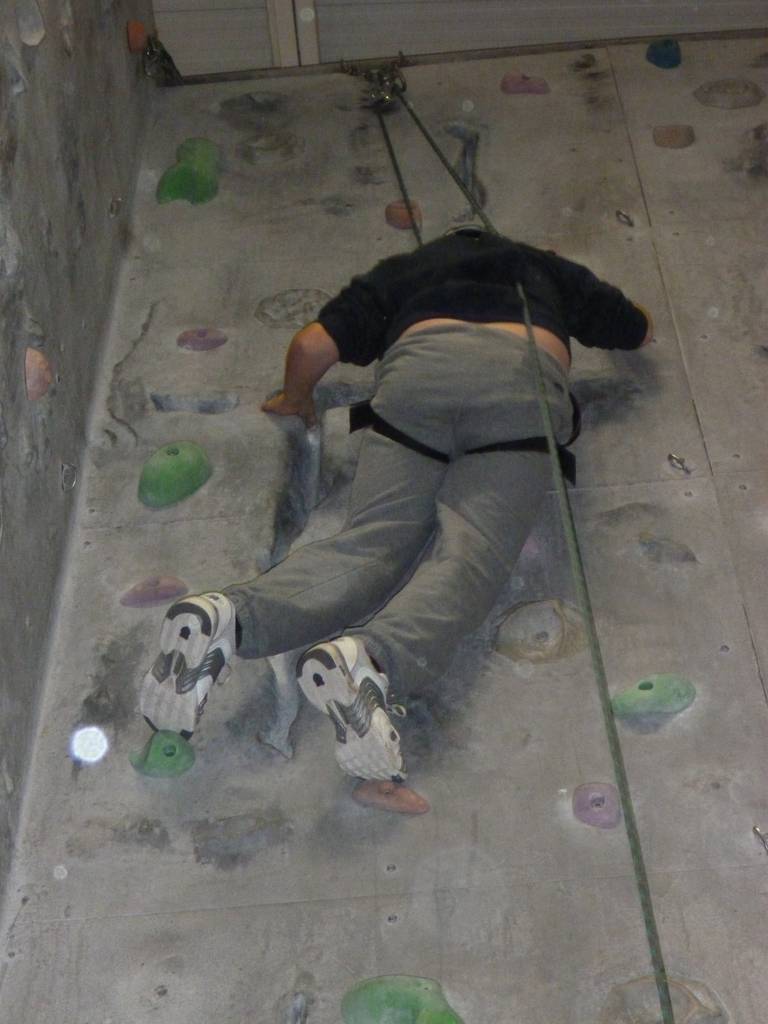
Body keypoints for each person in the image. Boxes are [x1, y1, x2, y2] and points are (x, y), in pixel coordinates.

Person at [140, 228, 654, 783]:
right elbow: (636, 330)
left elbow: (312, 346)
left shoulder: (404, 272)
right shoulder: (546, 269)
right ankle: (371, 659)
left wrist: (295, 397)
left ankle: (229, 618)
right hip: (515, 388)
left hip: (416, 385)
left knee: (373, 544)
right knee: (470, 555)